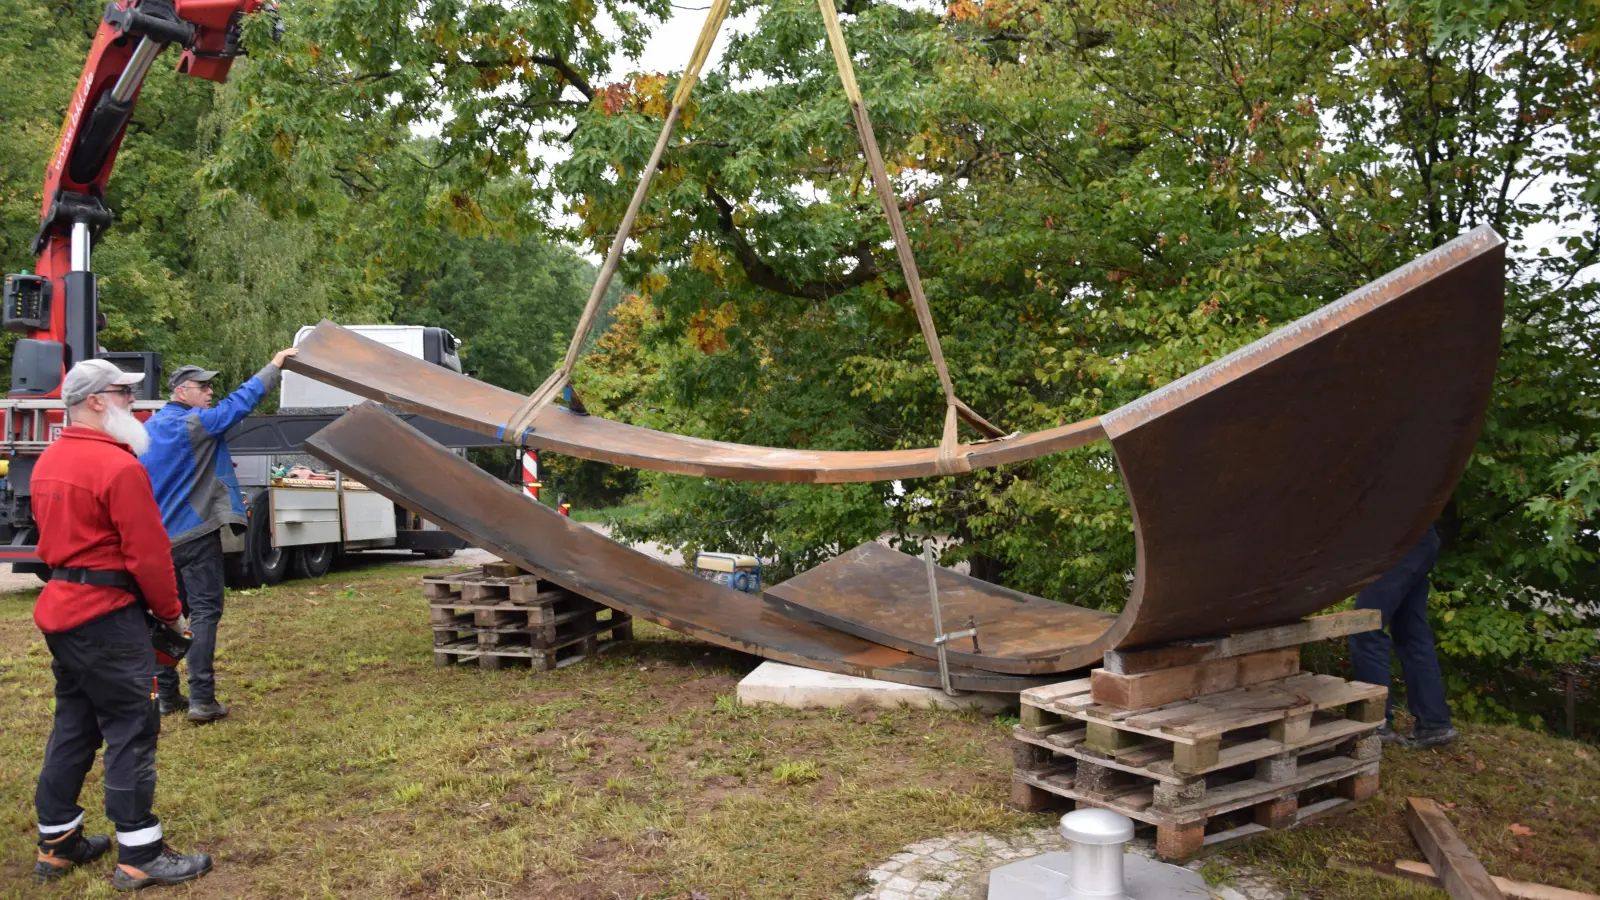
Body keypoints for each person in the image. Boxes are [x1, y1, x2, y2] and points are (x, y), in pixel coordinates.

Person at [31, 359, 212, 889]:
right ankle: (142, 853)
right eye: (124, 394)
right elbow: (149, 555)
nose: (134, 403)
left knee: (75, 723)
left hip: (64, 614)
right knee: (133, 726)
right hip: (108, 618)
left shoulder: (49, 462)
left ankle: (58, 842)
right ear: (96, 401)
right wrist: (172, 614)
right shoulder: (119, 467)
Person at [140, 348, 296, 723]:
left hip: (160, 541)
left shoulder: (146, 430)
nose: (210, 393)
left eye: (211, 387)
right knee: (206, 612)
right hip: (195, 535)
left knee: (168, 614)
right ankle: (202, 699)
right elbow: (238, 405)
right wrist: (274, 366)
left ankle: (167, 695)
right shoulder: (192, 424)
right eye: (202, 387)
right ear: (181, 392)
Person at [1348, 525, 1458, 749]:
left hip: (1396, 541)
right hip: (1418, 538)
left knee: (1365, 627)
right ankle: (1435, 725)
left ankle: (1375, 722)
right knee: (1411, 633)